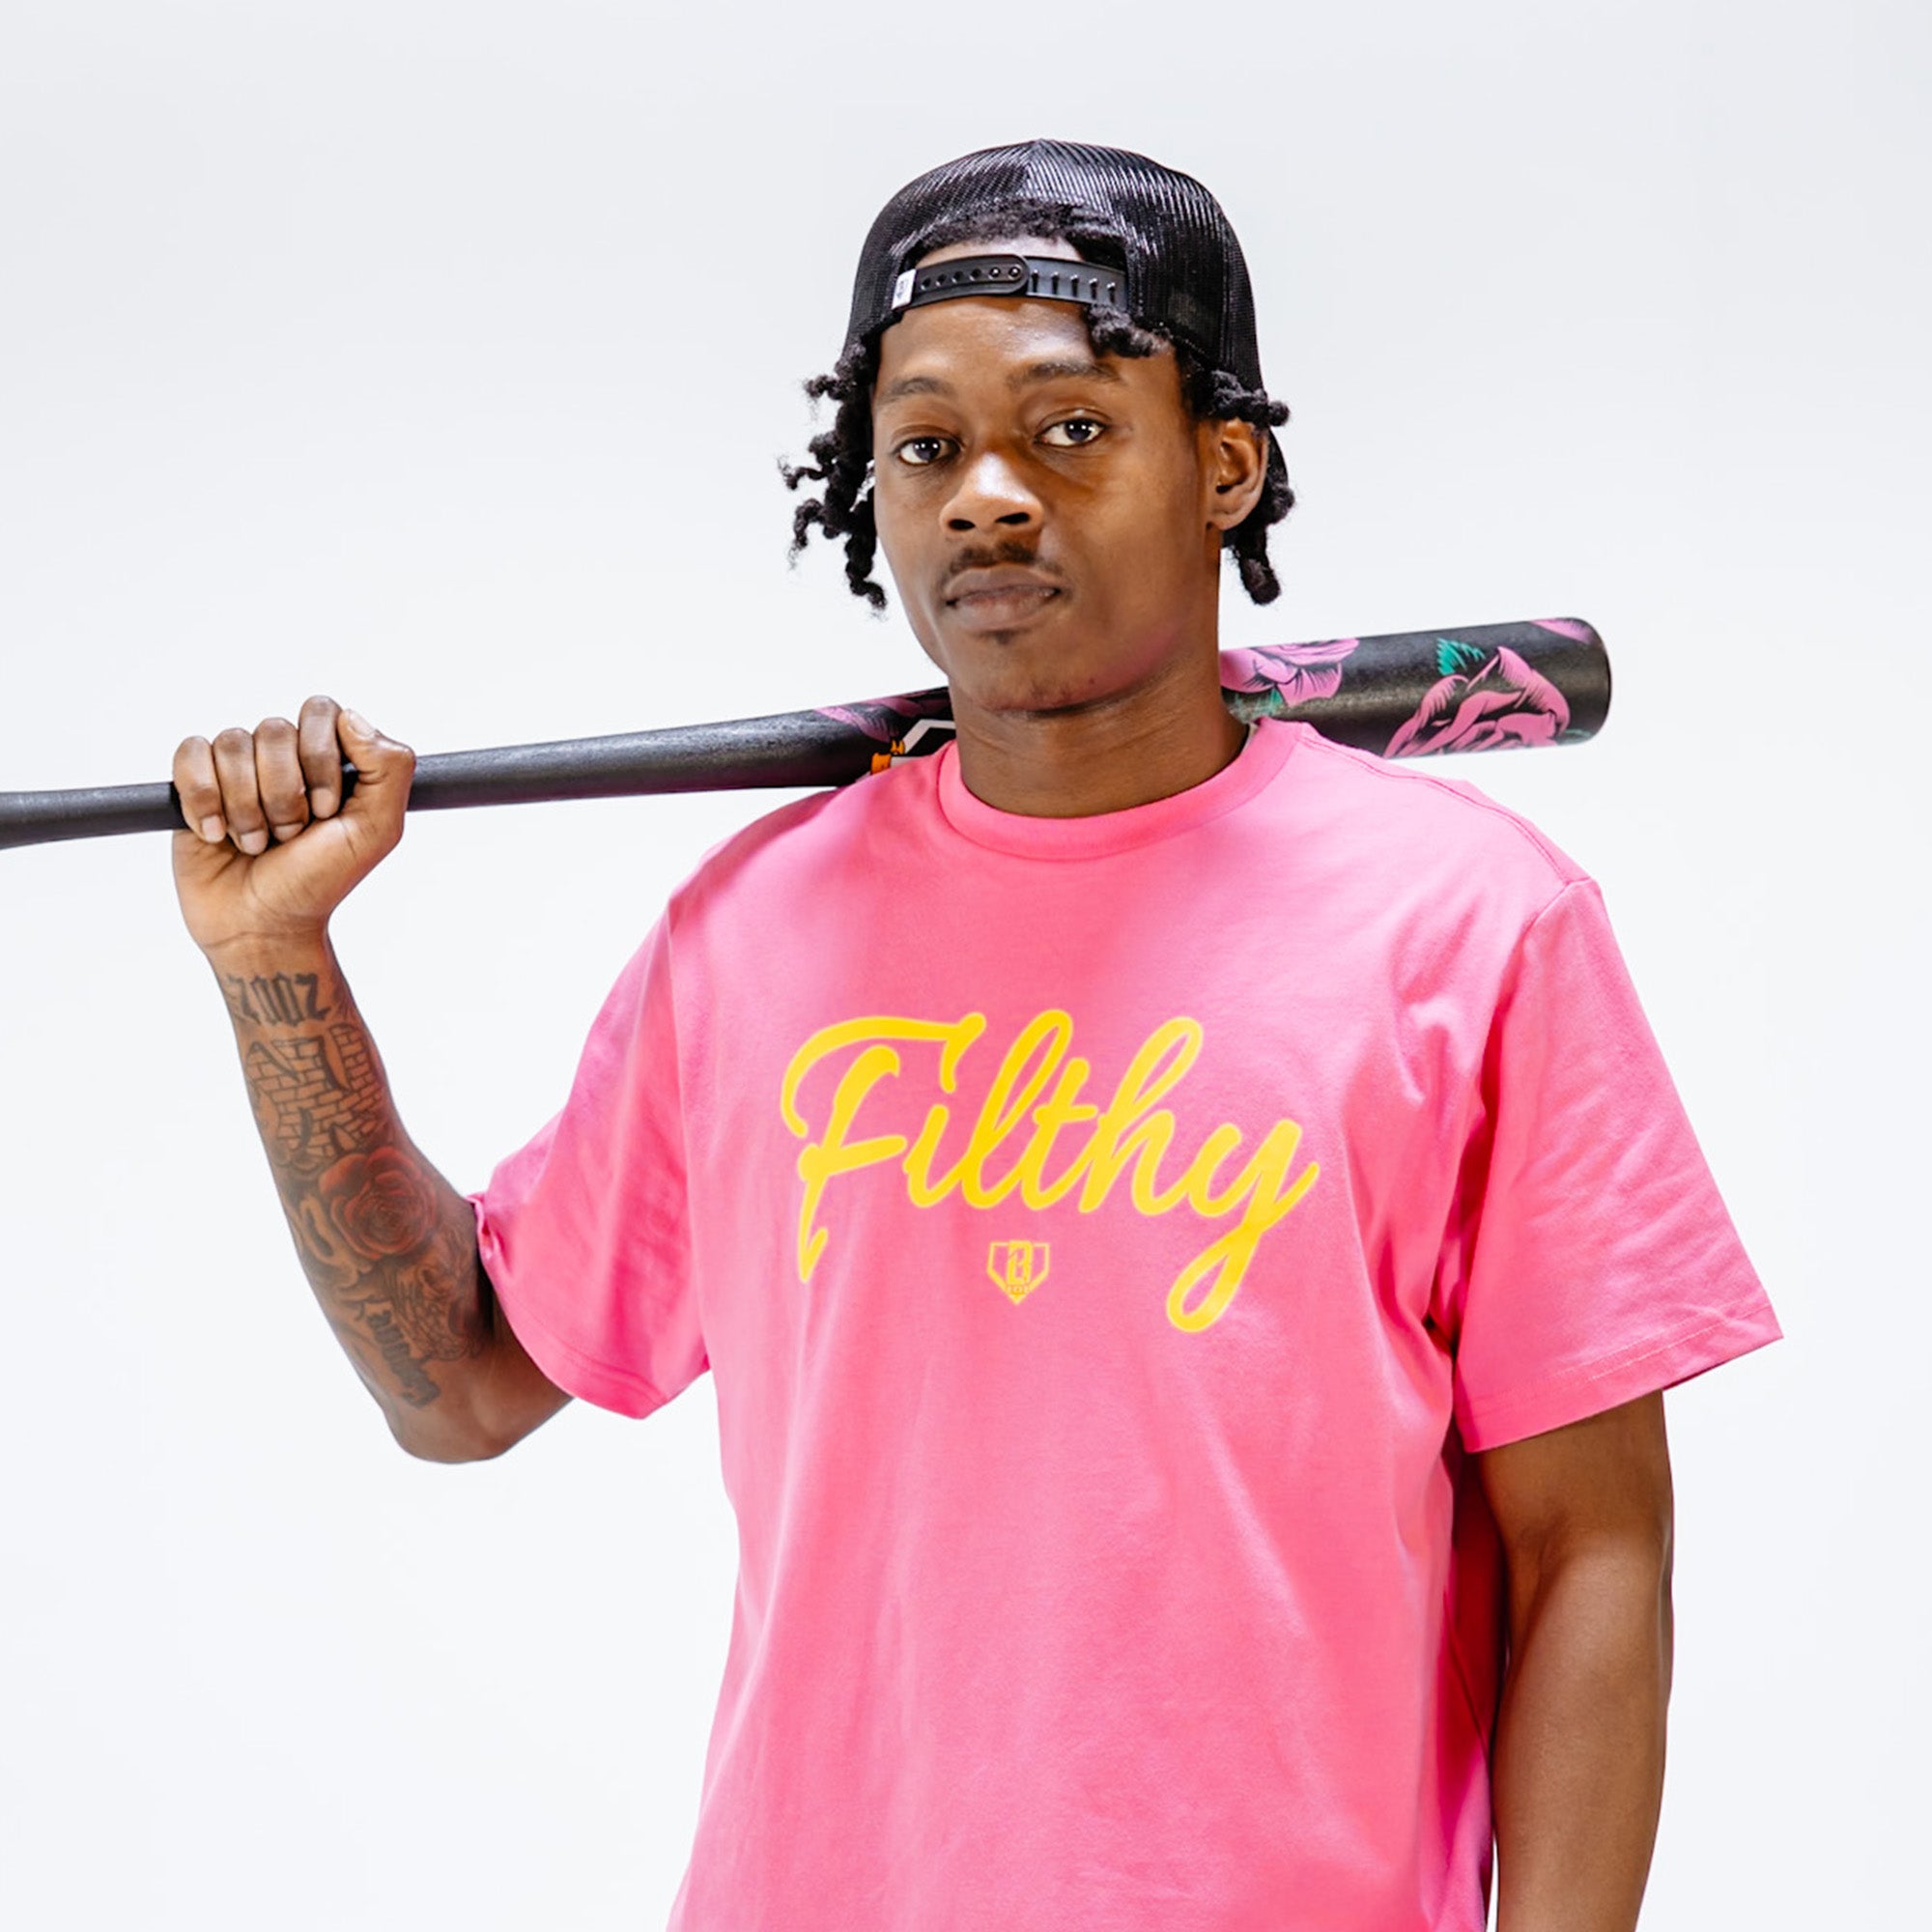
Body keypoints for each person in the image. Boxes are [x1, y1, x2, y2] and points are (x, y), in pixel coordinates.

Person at [169, 140, 1780, 1932]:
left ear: (1225, 465)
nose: (987, 496)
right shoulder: (753, 933)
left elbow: (1591, 1548)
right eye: (925, 445)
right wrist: (275, 959)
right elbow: (460, 1383)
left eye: (1072, 428)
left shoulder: (1473, 928)